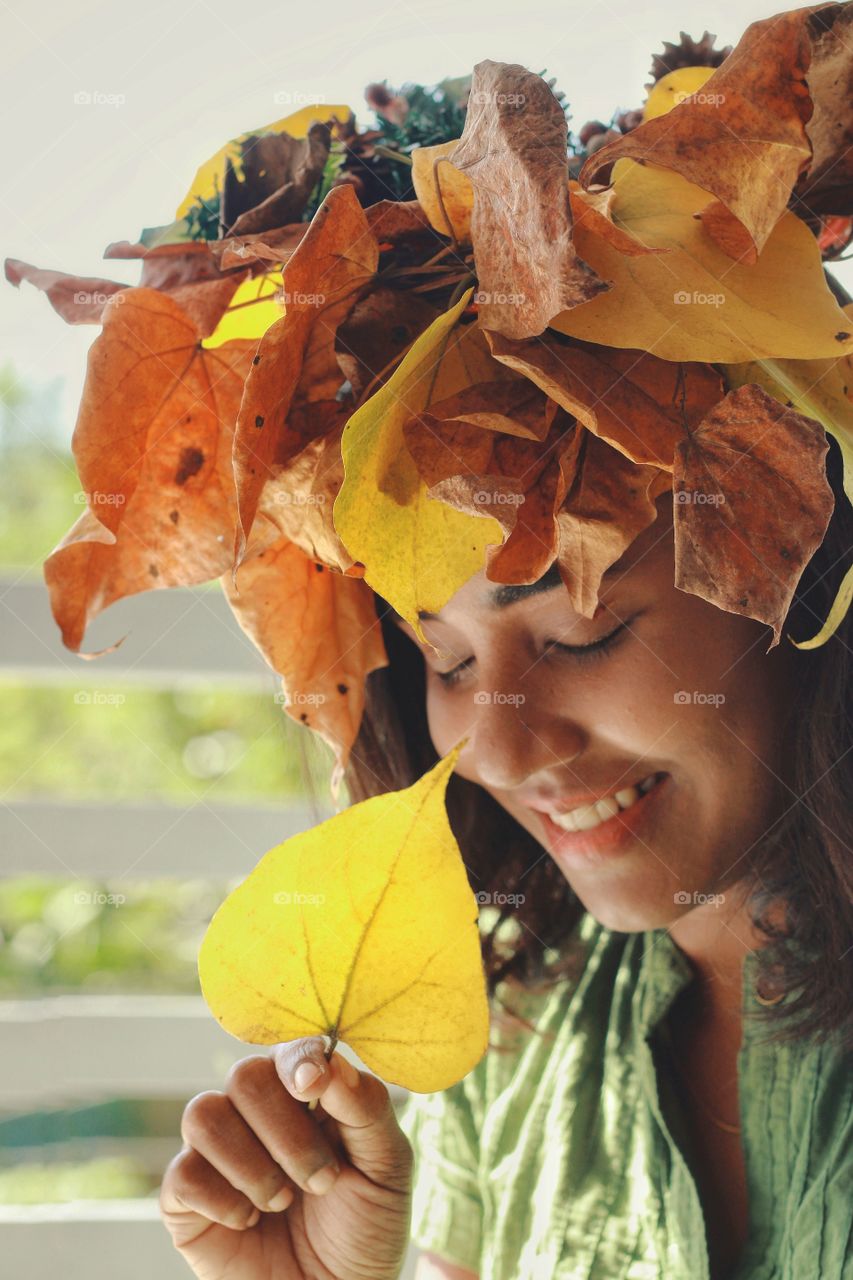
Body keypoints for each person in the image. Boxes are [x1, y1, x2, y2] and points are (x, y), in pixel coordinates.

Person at [158, 444, 853, 1280]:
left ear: (804, 585)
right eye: (446, 660)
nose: (496, 752)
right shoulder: (509, 1029)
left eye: (578, 636)